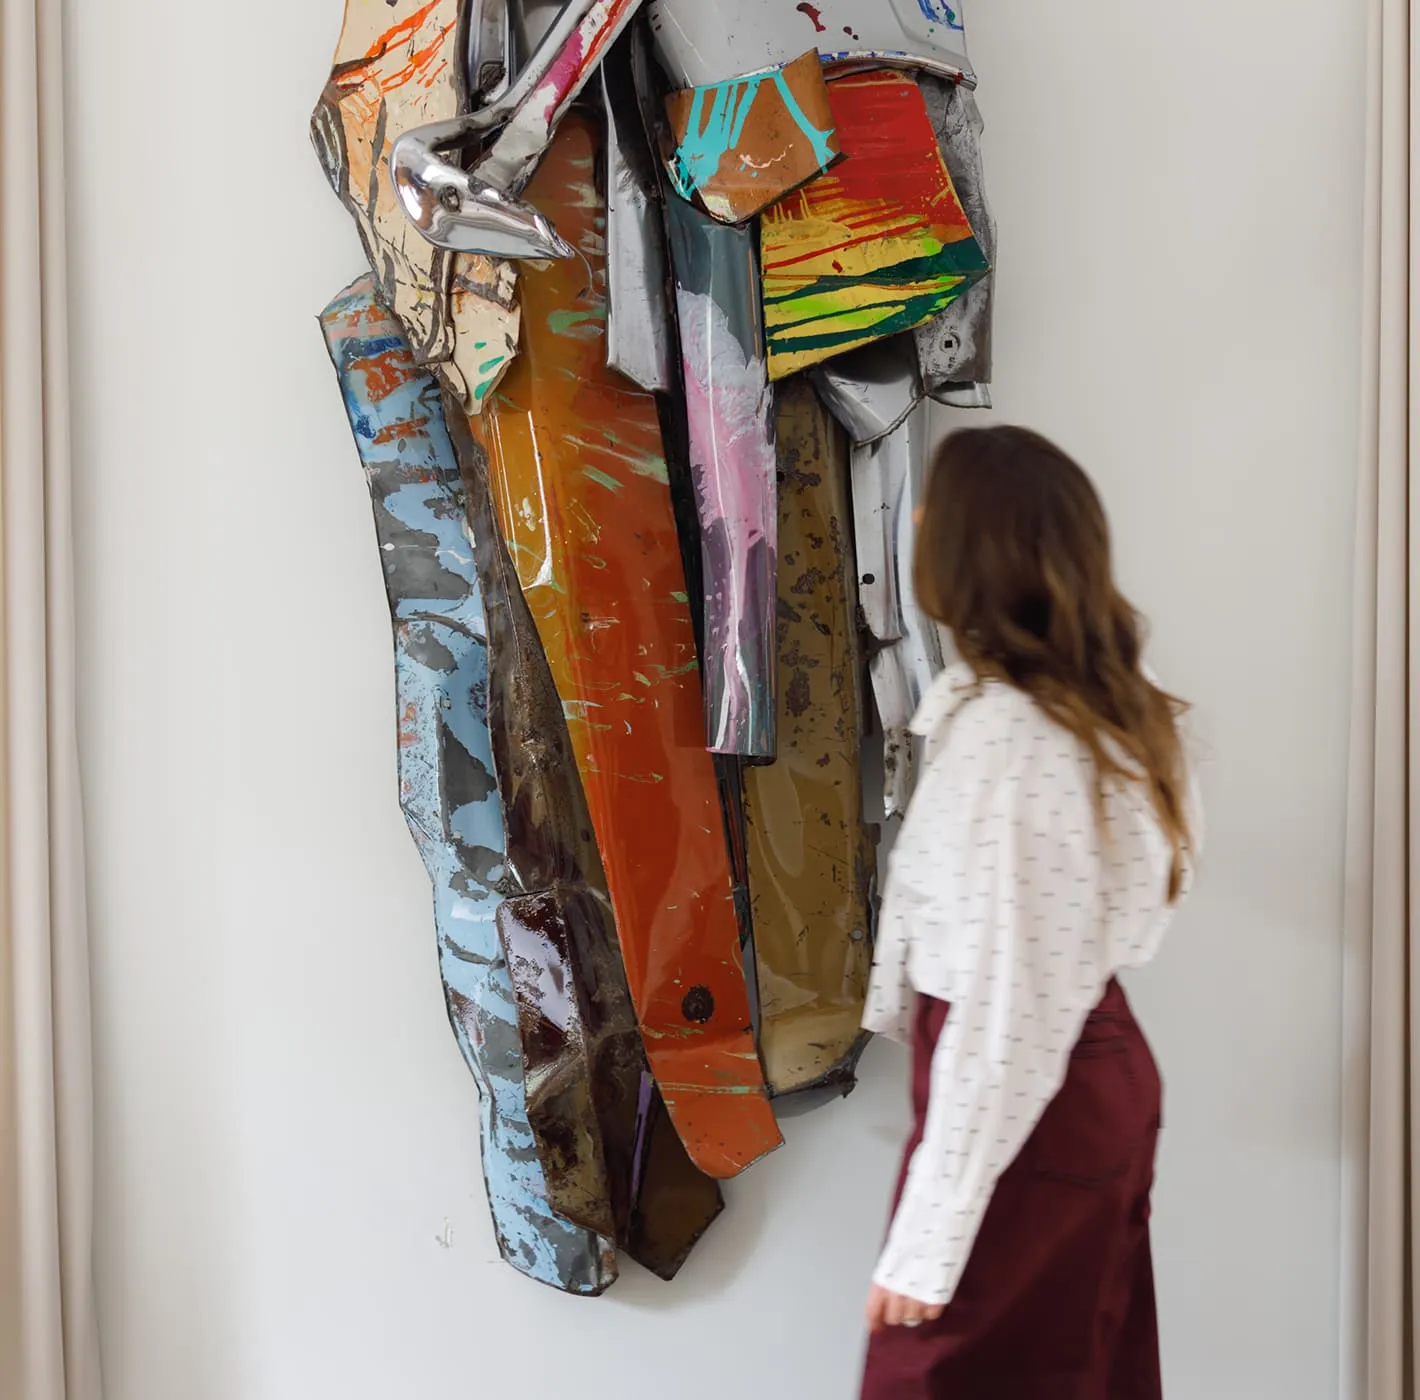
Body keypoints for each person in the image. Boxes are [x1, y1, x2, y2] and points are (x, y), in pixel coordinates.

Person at [859, 426, 1201, 1399]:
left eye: (931, 507)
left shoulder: (1011, 737)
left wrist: (926, 1243)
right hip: (1080, 1075)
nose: (913, 518)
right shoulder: (1094, 713)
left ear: (967, 545)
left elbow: (1005, 1009)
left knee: (935, 1375)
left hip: (1031, 1095)